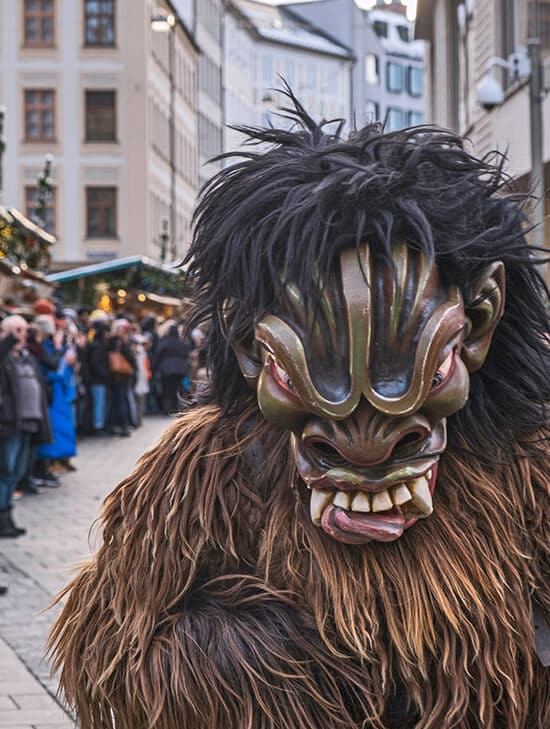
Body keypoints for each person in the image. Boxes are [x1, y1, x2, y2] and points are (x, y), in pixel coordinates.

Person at [49, 97, 550, 727]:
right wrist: (270, 676)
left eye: (414, 374)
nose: (366, 444)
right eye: (314, 379)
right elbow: (115, 643)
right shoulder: (212, 468)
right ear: (246, 344)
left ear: (479, 323)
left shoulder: (521, 457)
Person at [0, 316, 51, 537]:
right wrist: (8, 339)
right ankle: (2, 517)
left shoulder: (26, 356)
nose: (22, 335)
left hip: (29, 423)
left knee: (17, 473)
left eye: (23, 330)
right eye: (17, 330)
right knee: (5, 471)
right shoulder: (4, 357)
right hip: (10, 424)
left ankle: (8, 516)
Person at [152, 321, 190, 414]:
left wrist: (155, 369)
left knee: (167, 390)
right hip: (180, 369)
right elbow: (186, 354)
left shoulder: (164, 343)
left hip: (166, 370)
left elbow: (157, 355)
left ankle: (167, 409)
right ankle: (176, 408)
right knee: (177, 389)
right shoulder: (180, 343)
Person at [107, 320, 136, 436]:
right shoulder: (121, 343)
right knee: (122, 401)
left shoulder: (108, 342)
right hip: (122, 376)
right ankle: (124, 426)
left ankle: (113, 426)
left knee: (114, 402)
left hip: (112, 376)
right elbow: (130, 358)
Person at [84, 321, 110, 434]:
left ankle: (97, 425)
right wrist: (105, 373)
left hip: (95, 379)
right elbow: (96, 365)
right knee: (98, 404)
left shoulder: (94, 345)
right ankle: (98, 426)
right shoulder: (97, 347)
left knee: (98, 403)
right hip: (97, 380)